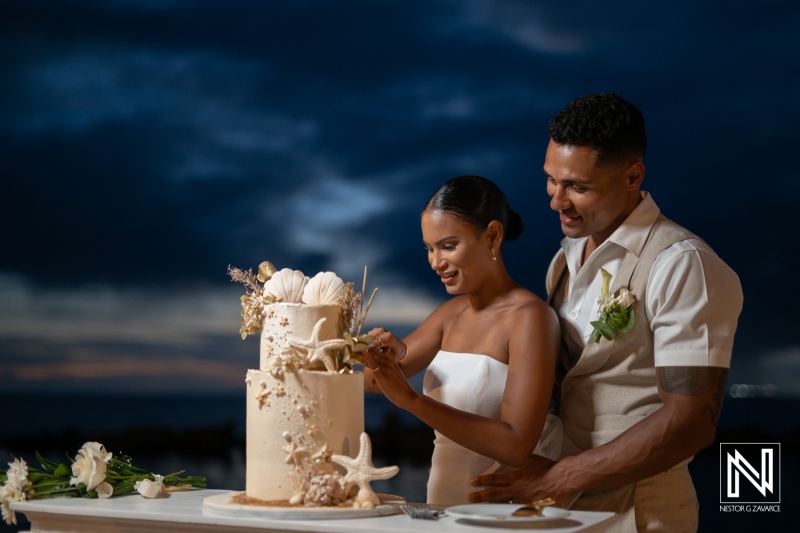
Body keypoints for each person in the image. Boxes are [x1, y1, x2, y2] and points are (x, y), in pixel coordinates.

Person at [469, 93, 744, 532]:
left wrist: (560, 477)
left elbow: (691, 422)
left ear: (633, 175)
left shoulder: (683, 264)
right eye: (550, 180)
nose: (556, 201)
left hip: (641, 511)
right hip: (558, 508)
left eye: (577, 186)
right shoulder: (564, 259)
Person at [363, 175, 563, 506]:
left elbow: (516, 445)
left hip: (495, 514)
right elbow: (373, 382)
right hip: (440, 507)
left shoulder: (529, 318)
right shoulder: (449, 315)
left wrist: (412, 401)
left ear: (493, 236)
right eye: (429, 247)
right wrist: (386, 354)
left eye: (448, 245)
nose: (435, 262)